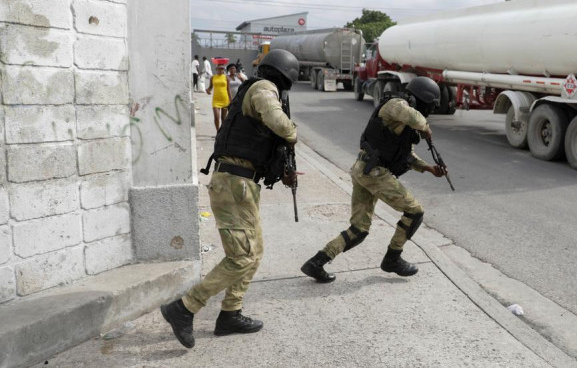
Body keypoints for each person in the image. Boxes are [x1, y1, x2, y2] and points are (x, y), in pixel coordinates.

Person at [160, 49, 300, 349]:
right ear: (286, 75)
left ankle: (230, 313)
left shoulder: (259, 88)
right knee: (241, 257)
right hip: (234, 184)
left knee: (254, 252)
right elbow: (279, 123)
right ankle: (184, 308)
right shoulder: (263, 89)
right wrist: (292, 132)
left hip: (243, 184)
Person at [301, 76, 447, 283]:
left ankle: (316, 262)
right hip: (374, 173)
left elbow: (406, 156)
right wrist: (425, 127)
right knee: (415, 212)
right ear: (423, 99)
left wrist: (429, 169)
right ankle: (392, 258)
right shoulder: (396, 104)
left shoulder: (403, 123)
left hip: (366, 172)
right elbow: (415, 118)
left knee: (359, 230)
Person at [206, 58, 232, 133]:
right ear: (216, 69)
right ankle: (218, 131)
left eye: (222, 69)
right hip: (216, 100)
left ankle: (222, 133)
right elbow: (210, 87)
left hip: (225, 99)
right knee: (216, 117)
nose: (221, 70)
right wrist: (208, 90)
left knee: (223, 118)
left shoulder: (226, 77)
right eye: (219, 69)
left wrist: (231, 100)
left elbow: (228, 89)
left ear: (224, 69)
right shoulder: (212, 77)